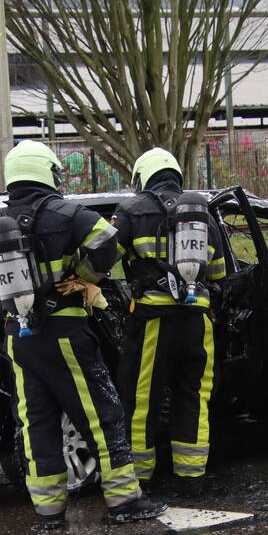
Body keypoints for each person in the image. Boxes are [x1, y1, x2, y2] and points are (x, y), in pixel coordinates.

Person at [0, 140, 166, 529]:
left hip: (20, 336)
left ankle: (48, 511)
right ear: (47, 172)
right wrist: (82, 277)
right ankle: (123, 501)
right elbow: (108, 242)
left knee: (36, 421)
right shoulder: (68, 214)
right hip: (66, 329)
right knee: (101, 413)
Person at [113, 147, 227, 495]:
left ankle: (140, 479)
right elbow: (220, 272)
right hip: (197, 322)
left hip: (153, 321)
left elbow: (106, 255)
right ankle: (191, 477)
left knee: (141, 400)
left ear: (141, 178)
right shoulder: (203, 215)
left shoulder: (132, 210)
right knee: (193, 396)